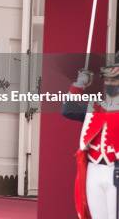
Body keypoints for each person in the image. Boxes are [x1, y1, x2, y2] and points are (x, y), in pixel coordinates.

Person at [63, 63, 119, 219]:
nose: (110, 83)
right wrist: (80, 84)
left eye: (114, 80)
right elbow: (68, 109)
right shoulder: (95, 108)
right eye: (107, 80)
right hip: (94, 169)